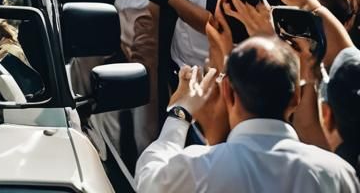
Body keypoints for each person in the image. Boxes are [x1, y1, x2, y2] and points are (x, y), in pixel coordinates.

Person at [135, 39, 360, 192]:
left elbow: (147, 180)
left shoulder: (197, 167)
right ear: (296, 97)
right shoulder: (337, 175)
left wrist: (180, 114)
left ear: (227, 92)